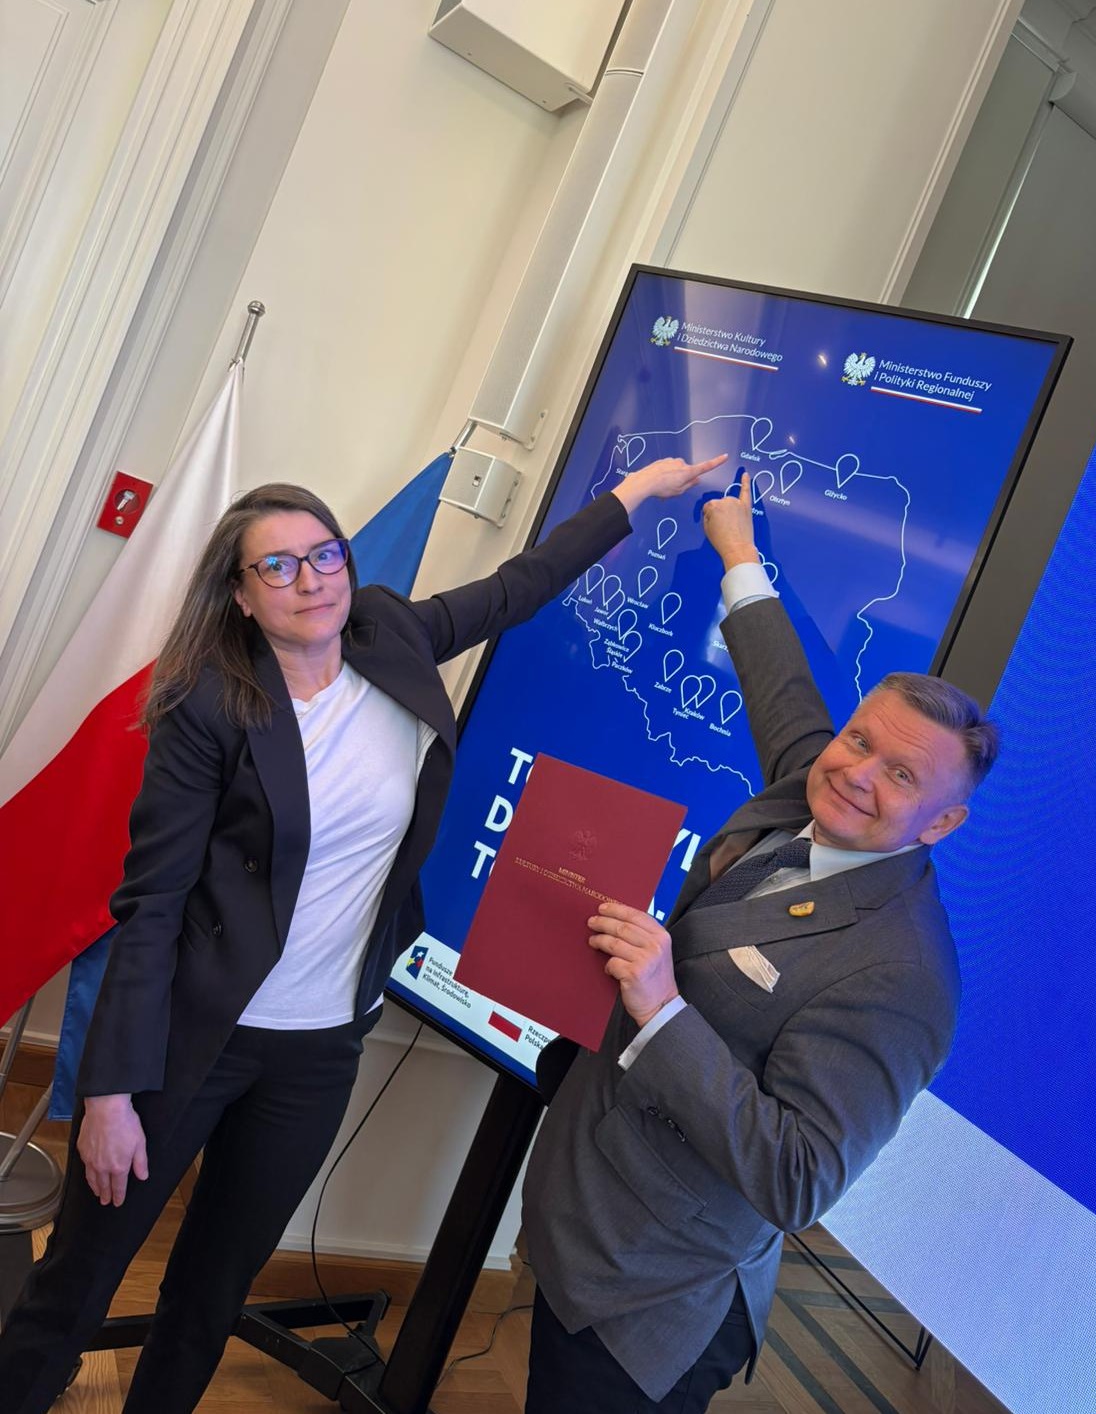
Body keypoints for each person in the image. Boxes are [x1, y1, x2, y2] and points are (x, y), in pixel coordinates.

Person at [0, 452, 722, 1414]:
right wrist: (109, 1092)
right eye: (278, 566)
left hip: (318, 1050)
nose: (311, 580)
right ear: (241, 596)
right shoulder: (209, 704)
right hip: (188, 1041)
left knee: (210, 1293)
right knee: (79, 1279)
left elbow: (521, 586)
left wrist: (636, 492)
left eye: (324, 554)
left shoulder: (389, 632)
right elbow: (153, 901)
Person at [522, 471, 999, 1414]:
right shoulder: (811, 789)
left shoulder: (904, 974)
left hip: (650, 1290)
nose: (856, 772)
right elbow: (779, 681)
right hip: (587, 1210)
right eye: (858, 740)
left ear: (942, 824)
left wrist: (661, 1008)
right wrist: (738, 548)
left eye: (902, 775)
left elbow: (798, 1176)